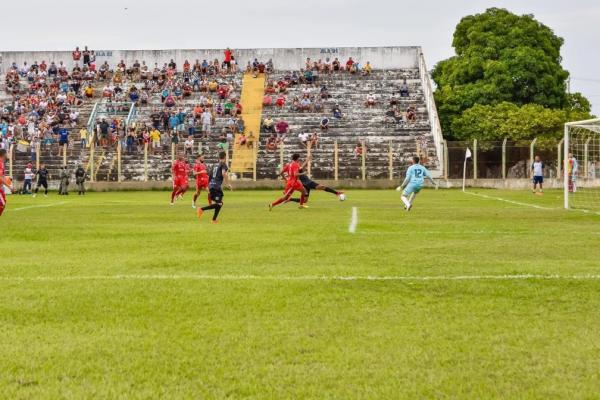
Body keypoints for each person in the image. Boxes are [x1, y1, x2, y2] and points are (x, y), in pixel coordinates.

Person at [197, 151, 232, 223]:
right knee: (219, 204)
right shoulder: (223, 164)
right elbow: (223, 174)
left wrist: (209, 185)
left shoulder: (214, 165)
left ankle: (214, 220)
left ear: (219, 157)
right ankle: (201, 209)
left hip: (212, 186)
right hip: (216, 187)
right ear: (225, 157)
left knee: (219, 203)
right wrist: (228, 183)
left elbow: (210, 175)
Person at [0, 149, 12, 216]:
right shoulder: (0, 163)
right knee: (2, 204)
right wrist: (9, 186)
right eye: (7, 153)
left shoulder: (2, 163)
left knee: (3, 203)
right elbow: (0, 177)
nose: (7, 154)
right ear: (4, 154)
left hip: (1, 188)